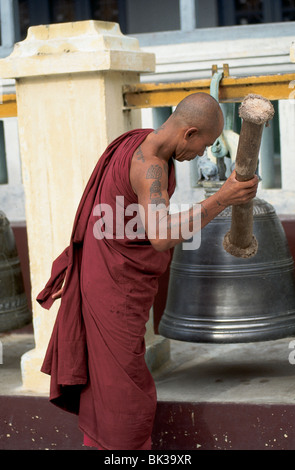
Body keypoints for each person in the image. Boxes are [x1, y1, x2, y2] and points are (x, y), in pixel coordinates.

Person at [37, 92, 258, 450]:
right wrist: (224, 198)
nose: (202, 154)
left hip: (109, 276)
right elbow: (160, 236)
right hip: (113, 292)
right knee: (125, 401)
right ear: (188, 133)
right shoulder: (149, 165)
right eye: (203, 144)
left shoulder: (136, 141)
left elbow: (109, 215)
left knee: (108, 391)